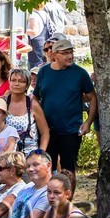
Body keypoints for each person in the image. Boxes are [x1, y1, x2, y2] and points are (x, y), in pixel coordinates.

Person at [34, 36, 96, 173]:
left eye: (70, 52)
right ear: (54, 55)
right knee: (46, 168)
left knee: (69, 170)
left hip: (71, 130)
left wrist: (88, 122)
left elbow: (92, 97)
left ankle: (68, 195)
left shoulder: (80, 73)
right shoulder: (44, 72)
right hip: (47, 131)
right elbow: (35, 98)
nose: (69, 56)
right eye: (65, 53)